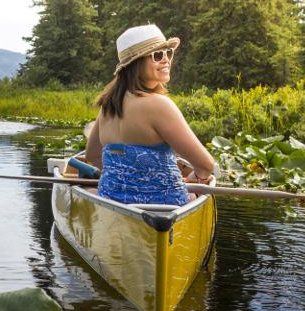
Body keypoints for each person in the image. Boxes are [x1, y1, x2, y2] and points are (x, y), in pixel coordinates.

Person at [84, 24, 215, 205]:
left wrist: (126, 179)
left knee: (91, 190)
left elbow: (92, 156)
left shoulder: (108, 105)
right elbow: (206, 165)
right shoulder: (159, 105)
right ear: (135, 64)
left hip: (111, 201)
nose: (166, 60)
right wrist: (195, 178)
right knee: (194, 196)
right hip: (164, 206)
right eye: (157, 55)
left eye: (168, 52)